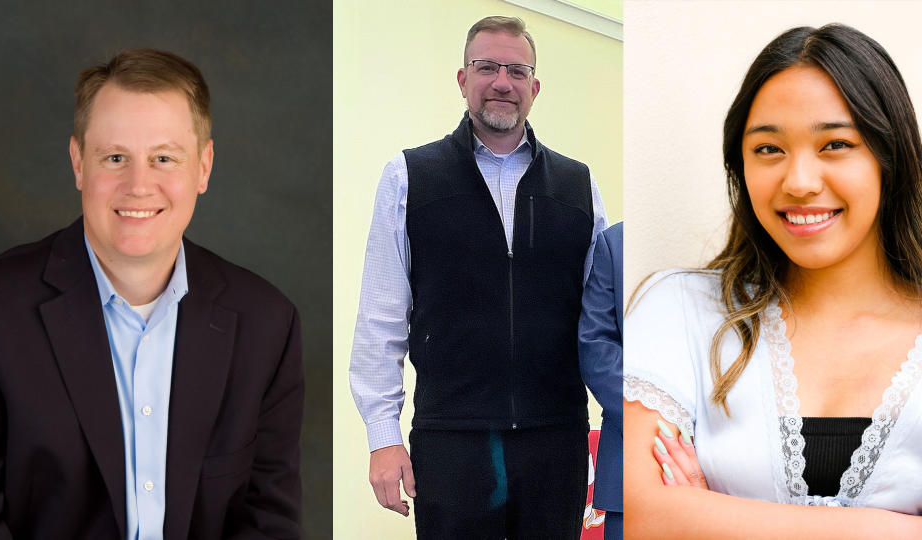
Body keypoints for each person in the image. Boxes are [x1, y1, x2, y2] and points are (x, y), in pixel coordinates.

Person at [0, 49, 303, 539]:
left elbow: (269, 523)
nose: (139, 185)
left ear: (203, 167)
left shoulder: (267, 324)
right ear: (79, 163)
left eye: (164, 158)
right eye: (115, 158)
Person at [624, 24, 922, 538]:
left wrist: (709, 519)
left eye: (835, 143)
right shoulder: (676, 309)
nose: (800, 182)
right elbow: (647, 516)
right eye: (768, 149)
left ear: (889, 157)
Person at [349, 15, 607, 538]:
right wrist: (382, 436)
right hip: (452, 438)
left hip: (555, 439)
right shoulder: (409, 177)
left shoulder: (578, 185)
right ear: (462, 79)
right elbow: (381, 317)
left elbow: (601, 320)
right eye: (486, 66)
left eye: (516, 70)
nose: (502, 82)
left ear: (534, 88)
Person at [578, 222, 623, 540]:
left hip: (736, 472)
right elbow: (596, 346)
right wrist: (653, 412)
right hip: (631, 468)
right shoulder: (615, 243)